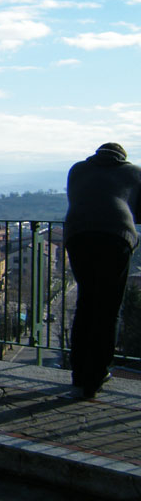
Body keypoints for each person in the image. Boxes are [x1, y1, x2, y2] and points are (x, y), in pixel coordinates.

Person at [64, 143, 141, 399]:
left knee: (86, 304)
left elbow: (77, 199)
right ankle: (96, 375)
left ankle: (78, 373)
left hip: (78, 236)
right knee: (108, 309)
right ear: (122, 158)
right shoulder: (133, 172)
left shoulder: (78, 169)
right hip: (116, 239)